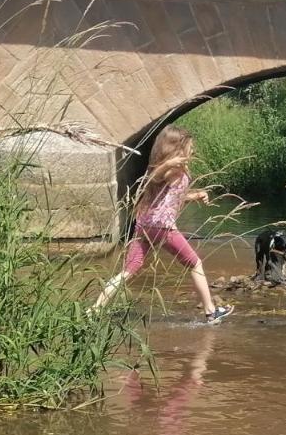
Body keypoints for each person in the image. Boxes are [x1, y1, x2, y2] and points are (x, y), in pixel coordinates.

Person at [93, 125, 234, 324]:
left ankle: (95, 309)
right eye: (190, 146)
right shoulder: (171, 168)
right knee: (195, 263)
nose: (193, 151)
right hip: (163, 227)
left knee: (129, 270)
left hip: (144, 226)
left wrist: (195, 195)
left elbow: (170, 197)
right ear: (177, 147)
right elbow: (154, 177)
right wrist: (170, 164)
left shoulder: (170, 167)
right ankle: (211, 311)